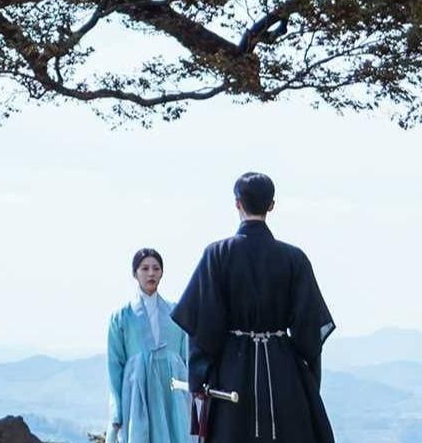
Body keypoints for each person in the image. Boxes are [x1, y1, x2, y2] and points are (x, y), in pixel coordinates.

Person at [172, 172, 334, 443]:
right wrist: (306, 380)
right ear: (271, 205)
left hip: (232, 375)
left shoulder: (217, 254)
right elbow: (309, 332)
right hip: (284, 373)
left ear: (237, 203)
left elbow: (203, 327)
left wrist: (199, 380)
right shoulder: (294, 258)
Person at [106, 246, 194, 443]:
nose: (151, 273)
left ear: (162, 273)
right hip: (137, 390)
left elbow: (186, 357)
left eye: (156, 268)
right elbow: (114, 365)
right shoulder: (122, 316)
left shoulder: (175, 312)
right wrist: (117, 409)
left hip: (172, 390)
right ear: (135, 273)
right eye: (144, 268)